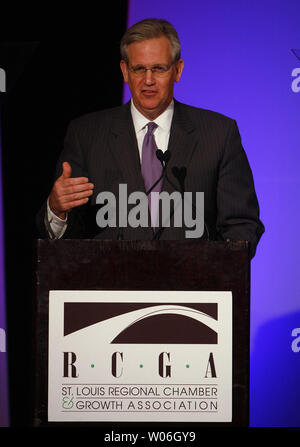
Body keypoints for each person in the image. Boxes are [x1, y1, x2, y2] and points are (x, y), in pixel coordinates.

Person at [36, 18, 264, 258]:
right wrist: (56, 209)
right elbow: (69, 236)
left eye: (158, 68)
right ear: (124, 71)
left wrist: (218, 271)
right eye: (139, 69)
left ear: (177, 70)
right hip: (110, 287)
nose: (148, 81)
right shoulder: (87, 135)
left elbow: (242, 225)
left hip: (193, 287)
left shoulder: (218, 133)